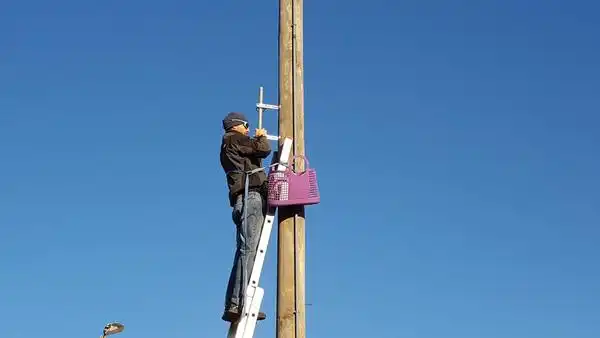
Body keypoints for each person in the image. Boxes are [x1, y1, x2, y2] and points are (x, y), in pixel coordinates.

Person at [219, 112, 271, 322]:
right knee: (249, 250)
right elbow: (263, 149)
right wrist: (261, 137)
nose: (248, 129)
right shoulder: (234, 138)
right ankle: (241, 302)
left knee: (243, 251)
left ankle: (234, 303)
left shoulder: (228, 144)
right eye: (246, 125)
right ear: (236, 125)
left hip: (242, 199)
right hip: (251, 197)